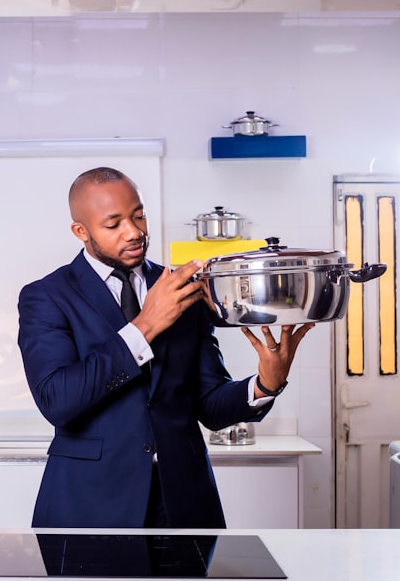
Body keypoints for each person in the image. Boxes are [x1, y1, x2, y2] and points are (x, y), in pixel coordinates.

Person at [17, 167, 313, 529]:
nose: (135, 232)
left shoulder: (181, 286)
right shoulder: (47, 297)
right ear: (82, 231)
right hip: (89, 503)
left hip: (185, 502)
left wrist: (265, 384)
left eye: (138, 215)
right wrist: (145, 326)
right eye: (114, 225)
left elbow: (209, 405)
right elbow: (57, 400)